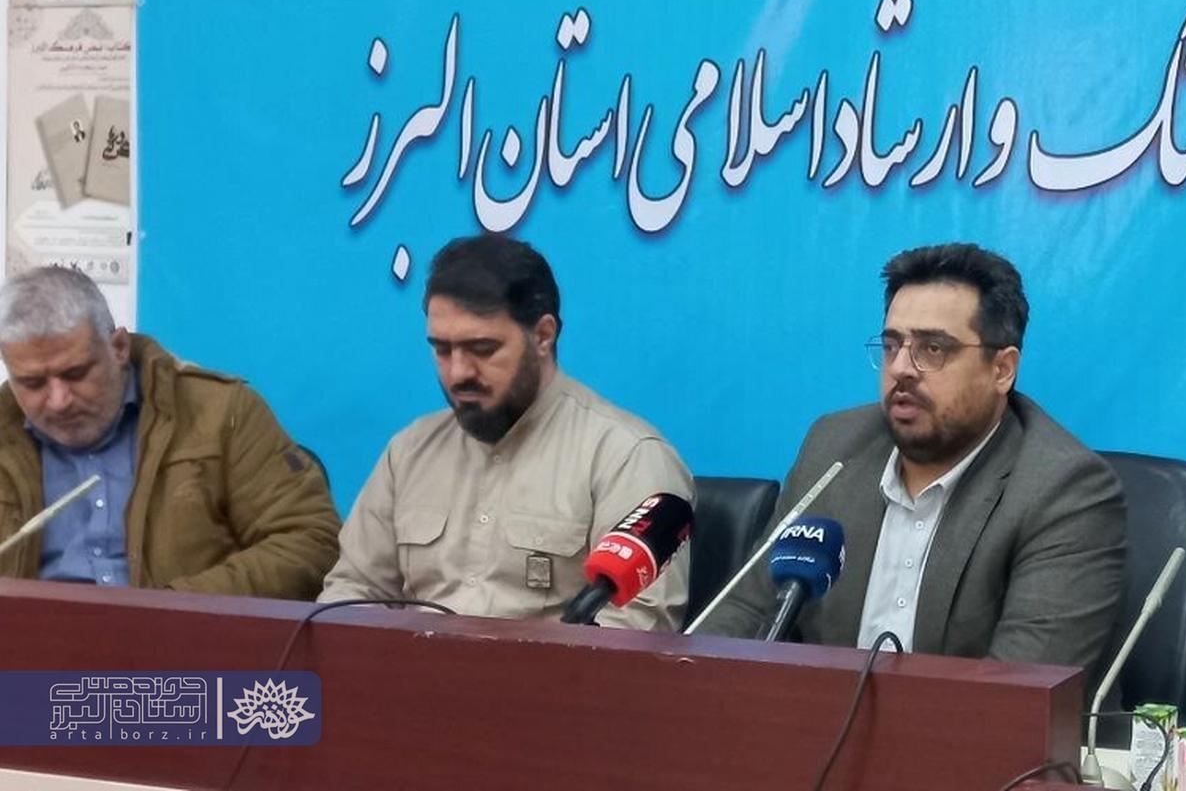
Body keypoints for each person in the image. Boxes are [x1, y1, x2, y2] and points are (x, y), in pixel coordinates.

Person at [696, 243, 1125, 683]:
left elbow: (1019, 691)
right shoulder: (834, 447)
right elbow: (750, 609)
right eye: (891, 345)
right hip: (818, 720)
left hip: (969, 726)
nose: (901, 367)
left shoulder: (1063, 489)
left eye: (933, 348)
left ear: (1002, 370)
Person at [320, 233, 692, 630]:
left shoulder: (626, 457)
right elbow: (352, 591)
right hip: (407, 668)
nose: (458, 373)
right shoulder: (409, 451)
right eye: (442, 350)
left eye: (482, 349)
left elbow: (635, 631)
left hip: (550, 671)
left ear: (543, 335)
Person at [0, 267, 340, 599]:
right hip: (29, 635)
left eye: (76, 374)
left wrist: (172, 608)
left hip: (191, 632)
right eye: (33, 383)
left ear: (119, 347)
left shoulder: (221, 412)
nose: (59, 401)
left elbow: (310, 541)